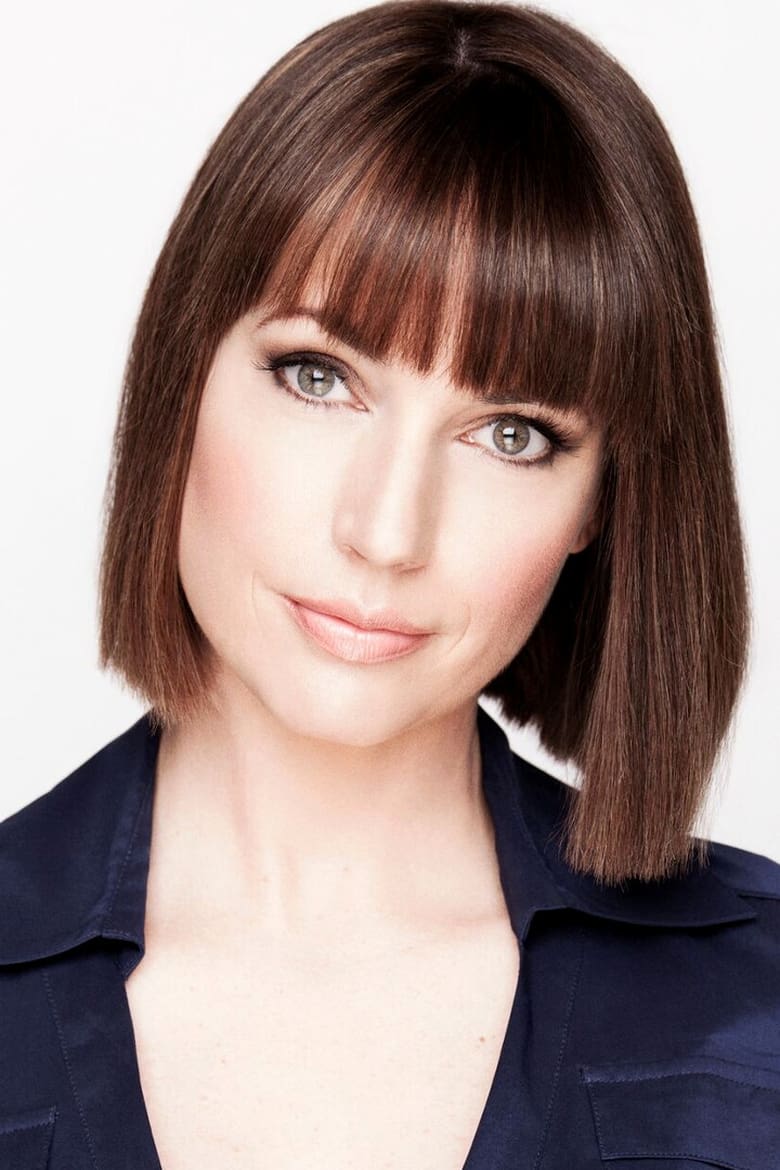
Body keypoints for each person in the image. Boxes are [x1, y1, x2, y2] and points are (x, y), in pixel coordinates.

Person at [1, 1, 778, 1167]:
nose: (386, 531)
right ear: (182, 374)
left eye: (512, 434)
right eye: (318, 377)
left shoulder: (759, 1016)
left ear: (602, 504)